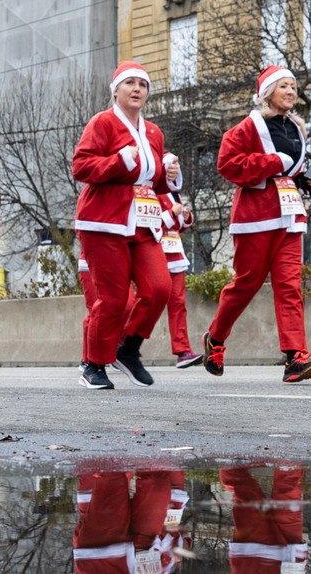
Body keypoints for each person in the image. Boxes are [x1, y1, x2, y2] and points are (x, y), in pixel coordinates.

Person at [202, 65, 311, 383]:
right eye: (284, 86)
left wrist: (307, 179)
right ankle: (215, 339)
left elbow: (291, 172)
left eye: (294, 86)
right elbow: (227, 164)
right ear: (267, 92)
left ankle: (296, 357)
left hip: (289, 214)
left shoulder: (297, 128)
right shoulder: (247, 127)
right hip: (255, 218)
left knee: (289, 286)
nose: (291, 91)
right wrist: (272, 163)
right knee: (246, 285)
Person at [72, 61, 181, 390]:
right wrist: (119, 161)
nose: (137, 89)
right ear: (115, 90)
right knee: (114, 298)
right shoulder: (103, 122)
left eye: (143, 85)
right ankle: (93, 364)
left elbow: (154, 182)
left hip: (144, 223)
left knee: (160, 288)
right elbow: (81, 165)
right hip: (104, 222)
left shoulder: (153, 132)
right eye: (130, 83)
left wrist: (168, 174)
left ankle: (129, 349)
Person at [72, 468, 190, 573]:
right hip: (146, 546)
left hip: (103, 557)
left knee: (112, 473)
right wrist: (175, 549)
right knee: (157, 483)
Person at [220, 465, 308, 572]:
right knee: (286, 491)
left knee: (247, 495)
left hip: (254, 556)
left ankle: (232, 463)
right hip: (285, 558)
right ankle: (289, 460)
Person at [158, 191, 202, 368]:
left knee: (178, 302)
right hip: (153, 254)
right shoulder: (149, 187)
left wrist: (186, 216)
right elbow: (145, 223)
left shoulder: (173, 193)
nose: (175, 169)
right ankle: (123, 345)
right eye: (171, 164)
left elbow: (178, 226)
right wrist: (171, 214)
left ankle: (183, 350)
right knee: (146, 302)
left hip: (175, 254)